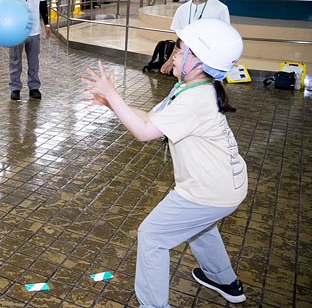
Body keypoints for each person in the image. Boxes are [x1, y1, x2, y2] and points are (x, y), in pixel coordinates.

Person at [82, 18, 247, 307]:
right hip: (225, 186)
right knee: (200, 227)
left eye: (181, 50)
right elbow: (151, 119)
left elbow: (143, 133)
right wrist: (111, 103)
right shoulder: (191, 88)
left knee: (152, 236)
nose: (174, 55)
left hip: (208, 191)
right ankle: (224, 281)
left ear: (201, 61)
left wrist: (114, 94)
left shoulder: (195, 98)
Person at [160, 0, 230, 74]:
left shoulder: (220, 9)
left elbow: (224, 40)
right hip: (186, 63)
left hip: (209, 63)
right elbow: (180, 39)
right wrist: (171, 60)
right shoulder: (182, 10)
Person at [1, 0, 51, 100]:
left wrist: (47, 25)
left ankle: (34, 87)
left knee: (34, 61)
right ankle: (15, 88)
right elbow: (5, 7)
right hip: (16, 31)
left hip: (34, 30)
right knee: (15, 60)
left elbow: (43, 6)